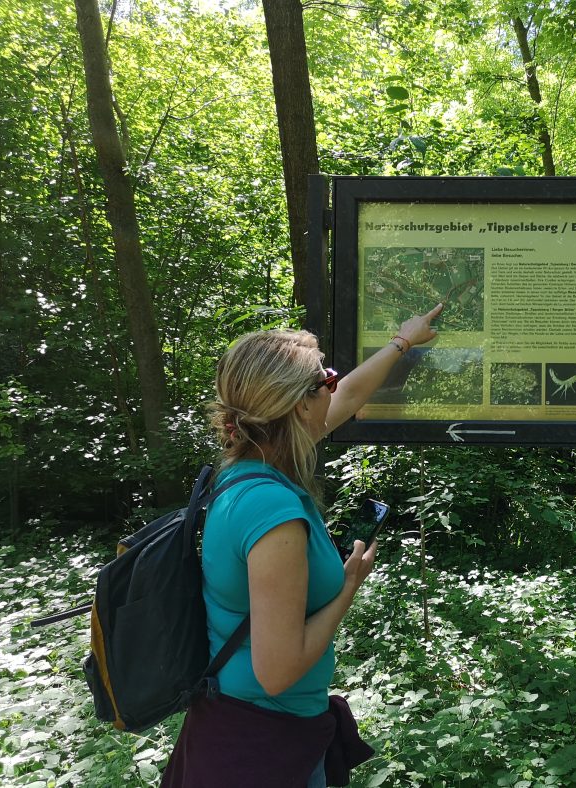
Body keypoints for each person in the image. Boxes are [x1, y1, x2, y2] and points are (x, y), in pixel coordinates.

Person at [161, 303, 444, 788]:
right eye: (324, 379)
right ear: (297, 403)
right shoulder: (273, 512)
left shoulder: (250, 468)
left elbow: (350, 393)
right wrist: (349, 586)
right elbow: (278, 671)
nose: (334, 386)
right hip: (263, 749)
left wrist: (403, 341)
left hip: (251, 729)